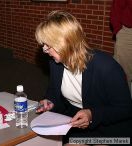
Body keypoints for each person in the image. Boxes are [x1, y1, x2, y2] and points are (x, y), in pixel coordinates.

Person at [35, 11, 132, 145]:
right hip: (78, 128)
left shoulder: (106, 66)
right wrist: (49, 102)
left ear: (65, 42)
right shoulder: (55, 63)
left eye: (48, 45)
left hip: (111, 132)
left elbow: (125, 109)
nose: (44, 50)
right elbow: (54, 94)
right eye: (43, 45)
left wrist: (92, 114)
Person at [110, 0, 132, 92]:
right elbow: (117, 7)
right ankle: (122, 104)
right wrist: (118, 30)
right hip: (128, 32)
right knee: (123, 73)